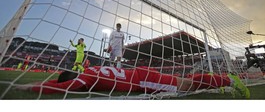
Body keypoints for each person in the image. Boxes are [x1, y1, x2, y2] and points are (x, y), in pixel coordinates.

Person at [17, 65, 250, 98]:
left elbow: (68, 87)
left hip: (144, 81)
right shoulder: (91, 69)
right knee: (185, 82)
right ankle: (223, 81)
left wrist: (28, 86)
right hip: (139, 73)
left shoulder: (84, 78)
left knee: (185, 87)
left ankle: (227, 80)